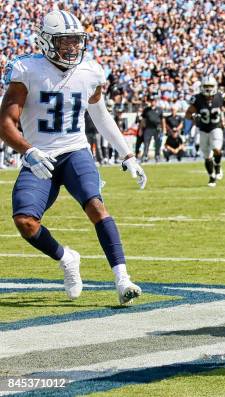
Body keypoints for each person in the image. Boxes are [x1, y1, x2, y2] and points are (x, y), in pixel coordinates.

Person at [0, 10, 146, 304]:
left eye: (75, 41)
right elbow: (4, 122)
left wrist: (127, 153)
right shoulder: (26, 71)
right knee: (25, 222)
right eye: (64, 41)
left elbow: (101, 117)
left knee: (96, 205)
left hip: (75, 151)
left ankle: (122, 279)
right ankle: (66, 258)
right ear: (46, 41)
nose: (71, 47)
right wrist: (28, 151)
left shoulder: (90, 71)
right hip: (40, 155)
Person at [185, 76, 225, 187]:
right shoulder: (197, 98)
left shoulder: (221, 96)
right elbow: (188, 114)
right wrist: (193, 116)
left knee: (216, 149)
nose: (208, 88)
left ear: (215, 86)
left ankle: (218, 166)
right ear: (201, 87)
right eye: (206, 86)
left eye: (210, 86)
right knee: (207, 156)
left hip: (216, 127)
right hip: (202, 129)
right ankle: (211, 177)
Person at [139, 96, 165, 162]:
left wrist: (164, 129)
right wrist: (141, 129)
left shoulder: (159, 109)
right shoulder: (146, 109)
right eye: (151, 101)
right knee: (146, 143)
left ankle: (157, 156)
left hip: (157, 128)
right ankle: (145, 156)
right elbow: (143, 120)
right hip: (148, 128)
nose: (153, 102)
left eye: (154, 101)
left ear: (156, 101)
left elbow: (162, 120)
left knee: (158, 143)